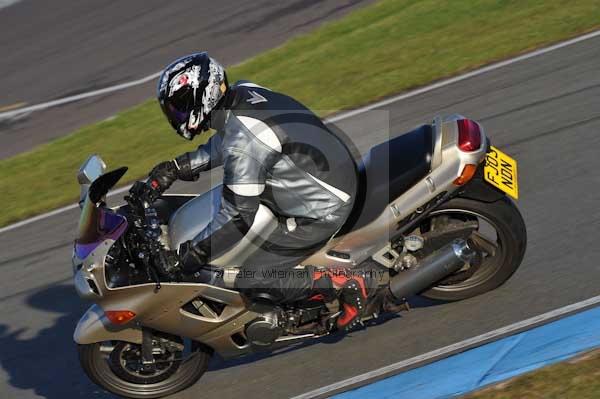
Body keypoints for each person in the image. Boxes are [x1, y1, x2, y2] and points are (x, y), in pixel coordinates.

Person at [144, 52, 373, 331]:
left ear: (202, 94)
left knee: (253, 278)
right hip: (327, 172)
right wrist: (177, 168)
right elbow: (229, 141)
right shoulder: (244, 92)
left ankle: (344, 283)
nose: (177, 115)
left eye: (180, 106)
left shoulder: (243, 138)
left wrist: (190, 257)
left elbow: (239, 216)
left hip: (323, 207)